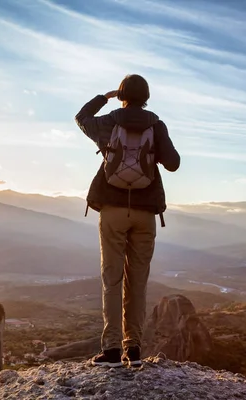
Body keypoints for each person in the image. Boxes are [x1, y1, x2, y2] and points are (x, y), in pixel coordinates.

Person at [75, 74, 180, 368]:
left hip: (112, 209)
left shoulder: (110, 121)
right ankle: (132, 348)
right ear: (147, 97)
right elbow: (173, 163)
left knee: (112, 278)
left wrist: (104, 97)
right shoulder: (156, 125)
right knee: (137, 281)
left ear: (123, 95)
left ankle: (110, 351)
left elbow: (81, 117)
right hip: (146, 212)